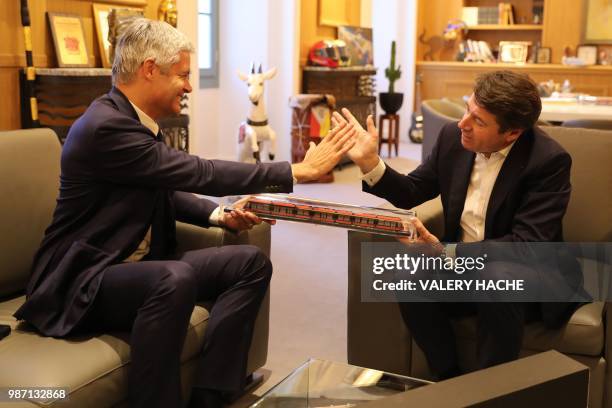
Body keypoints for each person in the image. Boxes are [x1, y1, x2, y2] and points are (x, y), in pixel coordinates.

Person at [14, 19, 356, 408]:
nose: (190, 86)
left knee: (249, 263)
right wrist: (294, 170)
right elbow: (199, 171)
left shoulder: (135, 121)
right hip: (83, 278)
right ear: (148, 69)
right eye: (183, 75)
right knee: (171, 277)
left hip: (130, 265)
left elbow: (160, 189)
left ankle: (212, 393)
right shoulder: (105, 126)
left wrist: (218, 215)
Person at [337, 70, 580, 380]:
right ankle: (447, 378)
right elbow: (413, 190)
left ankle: (489, 392)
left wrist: (445, 252)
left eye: (478, 121)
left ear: (512, 133)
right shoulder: (453, 137)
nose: (463, 123)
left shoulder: (548, 161)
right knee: (407, 273)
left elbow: (526, 245)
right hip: (463, 266)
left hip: (522, 275)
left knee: (498, 278)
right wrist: (371, 163)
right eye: (467, 109)